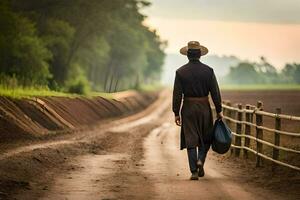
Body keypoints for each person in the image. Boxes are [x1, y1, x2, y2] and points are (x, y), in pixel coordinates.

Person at [172, 41, 223, 180]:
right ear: (200, 55)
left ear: (187, 55)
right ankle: (200, 159)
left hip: (188, 108)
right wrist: (219, 110)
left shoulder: (180, 72)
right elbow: (215, 93)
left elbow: (177, 94)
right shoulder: (209, 71)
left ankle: (194, 171)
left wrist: (176, 112)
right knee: (206, 137)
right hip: (204, 108)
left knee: (190, 139)